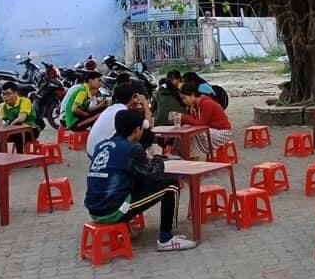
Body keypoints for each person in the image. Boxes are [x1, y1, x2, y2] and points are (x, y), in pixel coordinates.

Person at [84, 109, 195, 251]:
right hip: (112, 210)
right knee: (171, 185)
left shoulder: (101, 145)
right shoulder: (131, 148)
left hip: (94, 209)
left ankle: (125, 229)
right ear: (136, 130)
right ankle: (166, 238)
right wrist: (157, 156)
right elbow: (153, 176)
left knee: (130, 181)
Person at [87, 83, 158, 160]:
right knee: (145, 133)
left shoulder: (111, 108)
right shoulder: (124, 113)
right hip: (101, 154)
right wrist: (145, 103)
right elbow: (149, 125)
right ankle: (140, 159)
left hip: (93, 150)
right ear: (132, 97)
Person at [178, 81, 232, 158]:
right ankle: (183, 155)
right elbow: (193, 122)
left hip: (222, 133)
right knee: (185, 131)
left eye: (184, 98)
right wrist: (180, 120)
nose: (183, 101)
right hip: (211, 130)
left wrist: (183, 117)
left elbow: (201, 124)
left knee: (194, 134)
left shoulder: (207, 103)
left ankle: (191, 157)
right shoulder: (193, 107)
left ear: (192, 95)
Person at [0, 81, 42, 153]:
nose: (5, 96)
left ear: (15, 93)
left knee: (18, 133)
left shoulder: (24, 101)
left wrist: (10, 126)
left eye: (8, 94)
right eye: (3, 94)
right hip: (12, 132)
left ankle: (20, 156)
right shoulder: (3, 106)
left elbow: (21, 118)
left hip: (31, 131)